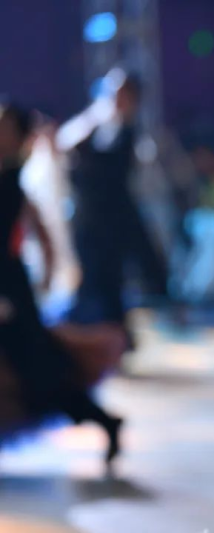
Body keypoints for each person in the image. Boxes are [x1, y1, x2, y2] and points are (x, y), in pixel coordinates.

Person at [0, 103, 125, 465]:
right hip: (11, 286)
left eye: (6, 127)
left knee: (37, 371)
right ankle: (102, 419)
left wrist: (45, 274)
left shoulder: (11, 178)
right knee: (32, 369)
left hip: (9, 290)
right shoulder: (10, 176)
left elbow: (35, 230)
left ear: (18, 137)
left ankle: (102, 419)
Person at [58, 69, 167, 343]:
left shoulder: (132, 134)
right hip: (90, 220)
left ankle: (113, 338)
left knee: (111, 281)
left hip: (112, 222)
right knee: (95, 281)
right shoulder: (96, 124)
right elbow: (65, 142)